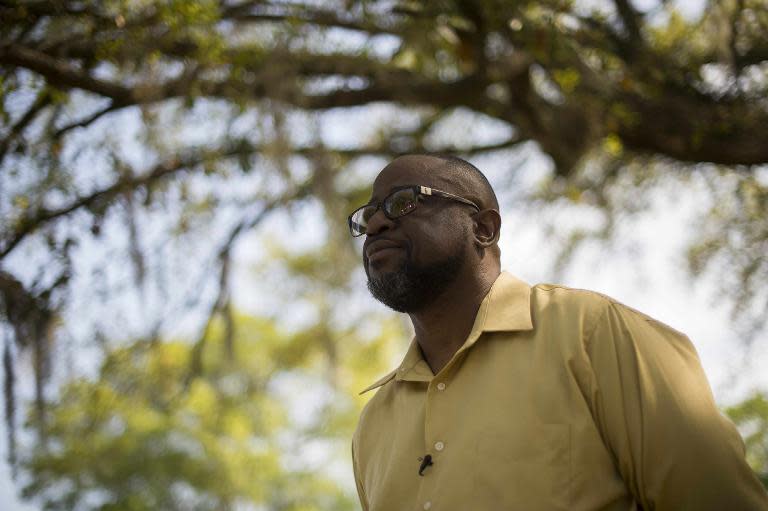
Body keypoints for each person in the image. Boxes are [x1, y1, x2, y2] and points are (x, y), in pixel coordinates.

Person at [348, 154, 768, 511]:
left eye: (402, 203)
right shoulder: (373, 425)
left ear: (484, 229)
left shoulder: (595, 335)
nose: (376, 225)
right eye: (367, 216)